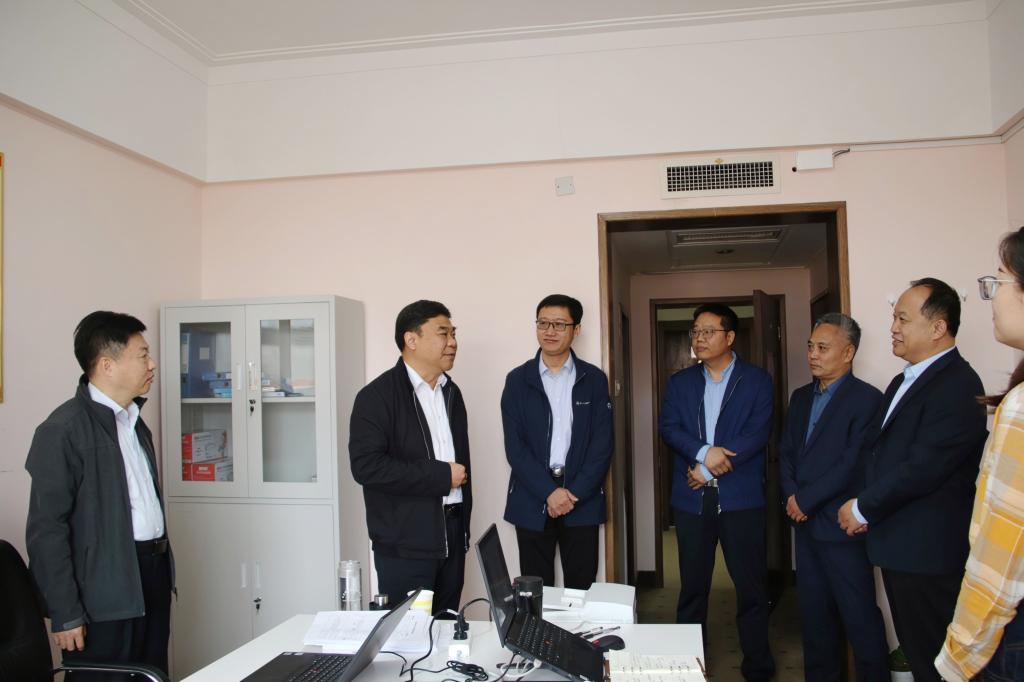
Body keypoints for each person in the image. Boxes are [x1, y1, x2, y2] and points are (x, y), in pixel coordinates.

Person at [838, 278, 987, 682]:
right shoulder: (905, 379)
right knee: (922, 657)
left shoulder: (958, 385)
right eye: (894, 318)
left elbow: (924, 467)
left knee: (937, 663)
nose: (893, 328)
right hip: (900, 544)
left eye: (902, 319)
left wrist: (864, 507)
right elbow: (878, 452)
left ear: (938, 327)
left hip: (928, 552)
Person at [25, 311, 172, 680]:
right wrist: (65, 612)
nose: (152, 364)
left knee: (152, 673)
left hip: (150, 574)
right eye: (142, 355)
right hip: (103, 591)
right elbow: (47, 531)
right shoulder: (63, 430)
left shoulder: (134, 423)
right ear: (107, 364)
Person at [658, 302, 775, 681]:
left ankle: (758, 666)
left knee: (751, 588)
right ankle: (687, 665)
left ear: (730, 337)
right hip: (691, 499)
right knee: (692, 588)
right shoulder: (681, 382)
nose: (699, 338)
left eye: (708, 331)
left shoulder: (756, 380)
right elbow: (669, 428)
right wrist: (703, 452)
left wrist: (707, 468)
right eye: (695, 332)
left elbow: (757, 433)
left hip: (741, 499)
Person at [780, 313, 889, 681]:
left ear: (848, 353)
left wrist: (806, 500)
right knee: (814, 620)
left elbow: (852, 463)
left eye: (823, 348)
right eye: (811, 346)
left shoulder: (868, 400)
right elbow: (787, 452)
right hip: (805, 527)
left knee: (860, 619)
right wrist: (792, 496)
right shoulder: (800, 397)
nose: (813, 354)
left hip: (842, 529)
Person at [936, 227, 1024, 680]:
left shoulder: (1021, 407)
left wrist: (960, 653)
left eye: (999, 280)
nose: (991, 297)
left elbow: (1003, 555)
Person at [349, 300, 472, 616]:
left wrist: (463, 531)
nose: (453, 342)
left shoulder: (451, 392)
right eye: (443, 333)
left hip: (452, 536)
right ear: (411, 339)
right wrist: (441, 477)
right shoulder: (376, 397)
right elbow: (367, 467)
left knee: (447, 629)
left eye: (453, 333)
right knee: (408, 635)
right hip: (405, 546)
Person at [501, 294, 613, 589]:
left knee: (582, 588)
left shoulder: (594, 379)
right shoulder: (517, 380)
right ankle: (539, 629)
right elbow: (515, 447)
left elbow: (602, 446)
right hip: (532, 496)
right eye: (543, 323)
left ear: (576, 330)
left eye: (560, 324)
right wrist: (549, 492)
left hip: (581, 497)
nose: (549, 331)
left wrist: (572, 493)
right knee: (535, 591)